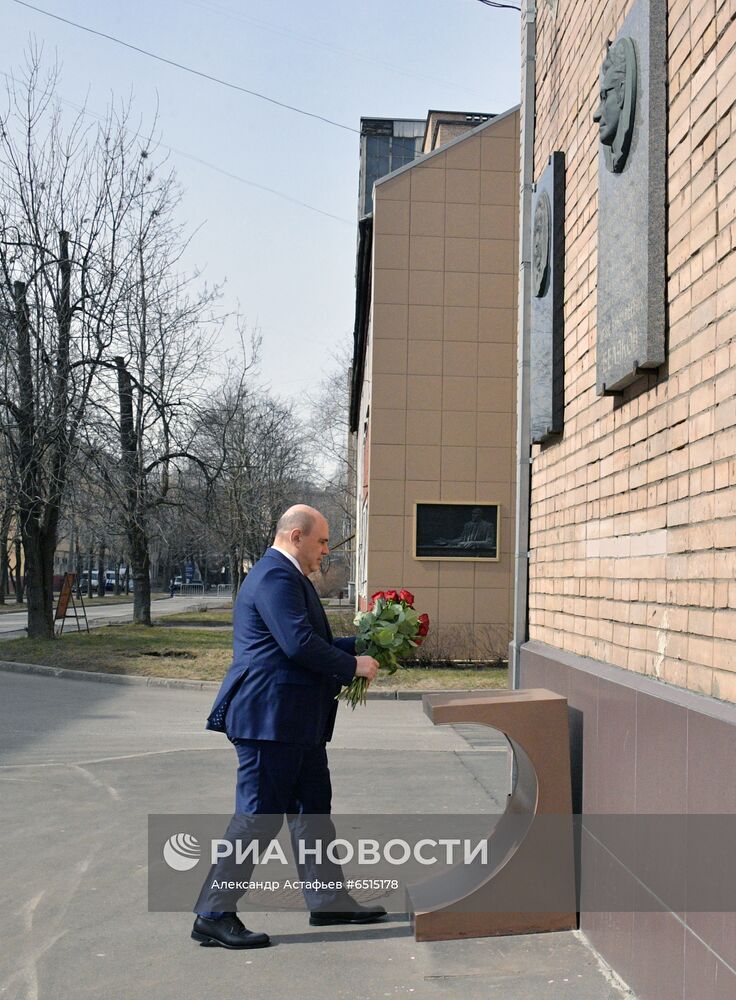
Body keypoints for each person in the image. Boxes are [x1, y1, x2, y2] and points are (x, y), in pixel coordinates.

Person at [191, 505, 383, 950]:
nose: (326, 550)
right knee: (258, 817)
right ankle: (213, 913)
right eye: (321, 541)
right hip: (269, 720)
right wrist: (353, 664)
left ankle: (328, 900)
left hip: (296, 723)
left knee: (312, 811)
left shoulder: (285, 576)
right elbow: (298, 645)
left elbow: (306, 642)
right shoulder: (276, 576)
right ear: (296, 536)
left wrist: (371, 644)